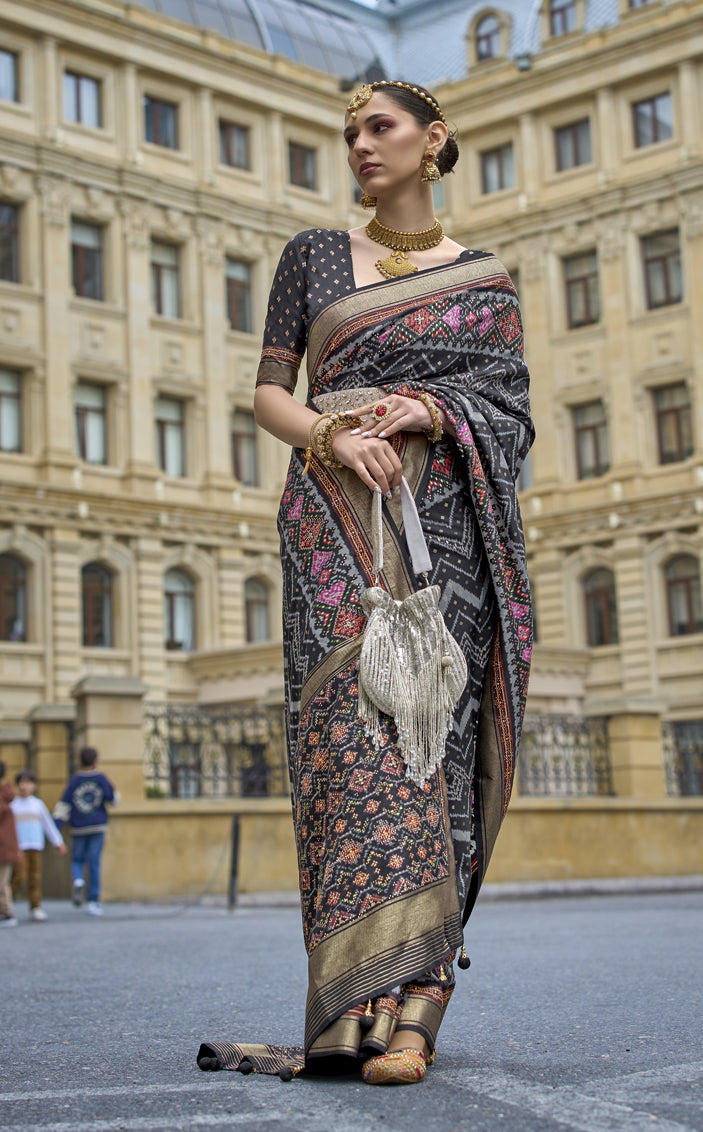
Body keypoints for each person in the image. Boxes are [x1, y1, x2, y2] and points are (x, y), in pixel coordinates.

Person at [202, 80, 533, 1086]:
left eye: (379, 127)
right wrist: (335, 430)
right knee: (351, 751)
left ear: (433, 141)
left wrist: (432, 415)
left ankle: (417, 1014)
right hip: (332, 531)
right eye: (348, 131)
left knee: (431, 745)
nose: (359, 144)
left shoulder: (488, 279)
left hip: (448, 544)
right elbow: (269, 390)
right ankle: (354, 1007)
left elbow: (509, 417)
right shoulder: (310, 257)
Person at [53, 747, 118, 917]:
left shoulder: (74, 781)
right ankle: (94, 901)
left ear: (80, 761)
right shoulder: (101, 779)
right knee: (94, 863)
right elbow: (113, 799)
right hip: (97, 826)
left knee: (77, 860)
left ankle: (78, 880)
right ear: (95, 761)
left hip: (78, 827)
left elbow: (63, 805)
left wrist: (57, 828)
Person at [11, 770, 68, 921]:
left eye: (28, 783)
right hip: (19, 847)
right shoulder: (14, 805)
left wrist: (58, 841)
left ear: (34, 785)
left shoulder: (38, 804)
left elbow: (48, 825)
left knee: (35, 877)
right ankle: (6, 904)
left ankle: (35, 906)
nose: (24, 786)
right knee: (19, 877)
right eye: (21, 783)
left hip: (35, 845)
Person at [0, 761, 22, 927]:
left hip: (3, 848)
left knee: (2, 882)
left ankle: (7, 912)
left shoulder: (3, 797)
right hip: (6, 847)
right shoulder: (6, 796)